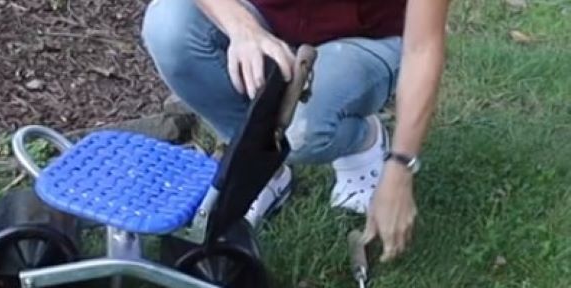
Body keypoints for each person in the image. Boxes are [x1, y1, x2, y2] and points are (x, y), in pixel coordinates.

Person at [141, 0, 451, 262]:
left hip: (369, 39)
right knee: (168, 28)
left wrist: (399, 168)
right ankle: (261, 167)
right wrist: (242, 27)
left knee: (302, 130)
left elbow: (423, 48)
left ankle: (363, 140)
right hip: (271, 16)